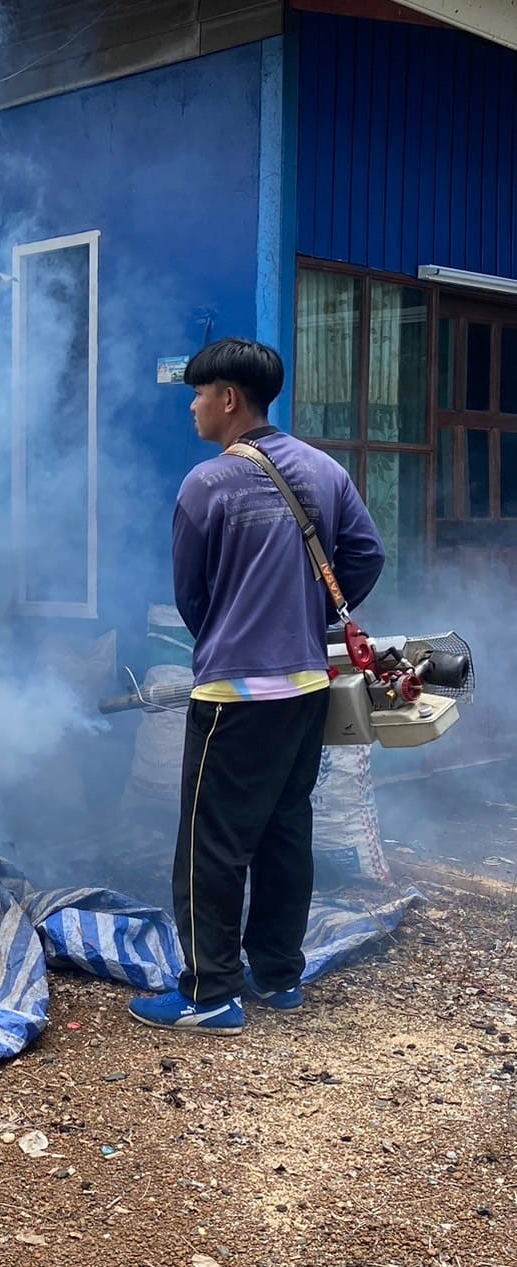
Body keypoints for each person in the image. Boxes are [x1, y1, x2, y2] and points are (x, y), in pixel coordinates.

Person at [129, 338, 385, 1035]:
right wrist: (304, 614)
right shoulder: (325, 470)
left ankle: (210, 993)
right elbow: (365, 555)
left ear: (229, 399)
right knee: (283, 831)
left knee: (208, 845)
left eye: (200, 392)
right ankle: (277, 976)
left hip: (234, 697)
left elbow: (192, 595)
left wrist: (233, 630)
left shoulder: (205, 485)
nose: (192, 404)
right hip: (307, 686)